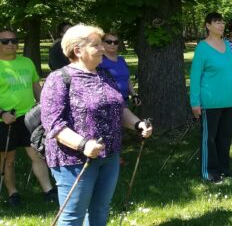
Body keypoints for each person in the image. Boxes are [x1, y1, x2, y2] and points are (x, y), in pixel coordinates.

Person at [40, 24, 152, 225]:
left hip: (109, 155)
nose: (103, 48)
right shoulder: (59, 79)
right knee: (73, 215)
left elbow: (119, 108)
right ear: (78, 51)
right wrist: (84, 145)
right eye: (96, 45)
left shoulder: (104, 75)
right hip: (74, 160)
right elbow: (53, 124)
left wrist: (137, 124)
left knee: (100, 210)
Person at [0, 29, 56, 207]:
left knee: (37, 155)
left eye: (14, 40)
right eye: (5, 41)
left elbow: (36, 87)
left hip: (29, 117)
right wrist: (2, 113)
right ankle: (13, 193)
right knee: (8, 161)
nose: (11, 44)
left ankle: (48, 190)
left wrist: (43, 106)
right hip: (6, 120)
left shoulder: (27, 62)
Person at [190, 13, 232, 184]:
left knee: (225, 137)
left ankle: (224, 169)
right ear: (208, 26)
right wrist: (194, 102)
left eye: (222, 22)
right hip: (209, 102)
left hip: (227, 100)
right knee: (209, 138)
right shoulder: (202, 48)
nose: (221, 25)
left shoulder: (226, 44)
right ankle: (209, 171)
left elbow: (231, 71)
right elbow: (195, 77)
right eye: (217, 22)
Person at [98, 33, 141, 106]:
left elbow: (127, 79)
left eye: (116, 42)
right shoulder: (98, 60)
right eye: (109, 42)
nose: (112, 44)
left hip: (125, 100)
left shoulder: (121, 60)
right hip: (108, 103)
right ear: (102, 43)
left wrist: (134, 95)